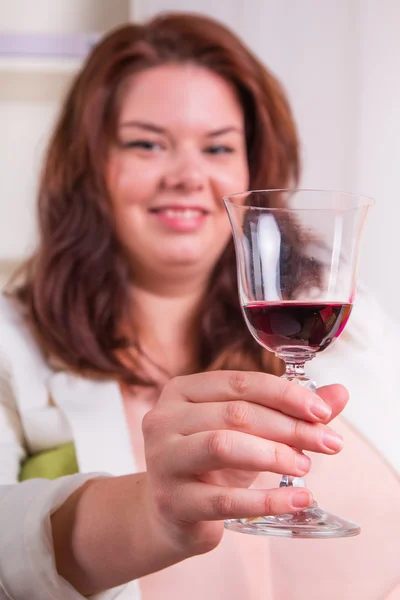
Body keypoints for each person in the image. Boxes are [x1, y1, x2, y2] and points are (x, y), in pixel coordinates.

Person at [0, 12, 399, 600]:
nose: (188, 176)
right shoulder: (15, 343)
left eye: (217, 146)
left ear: (251, 167)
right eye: (146, 143)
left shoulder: (355, 324)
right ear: (89, 167)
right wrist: (153, 514)